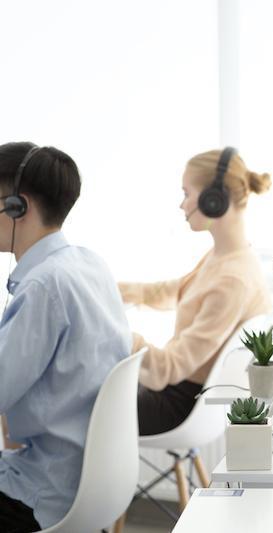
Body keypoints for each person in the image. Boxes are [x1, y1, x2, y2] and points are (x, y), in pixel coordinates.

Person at [0, 142, 131, 531]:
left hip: (42, 493)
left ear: (16, 207)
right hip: (90, 484)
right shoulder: (88, 264)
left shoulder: (43, 287)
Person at [119, 147, 271, 435]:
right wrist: (112, 290)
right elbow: (178, 291)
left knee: (58, 400)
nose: (181, 204)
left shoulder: (232, 280)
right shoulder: (228, 257)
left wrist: (117, 334)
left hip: (177, 406)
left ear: (214, 200)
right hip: (176, 393)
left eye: (186, 193)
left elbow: (170, 368)